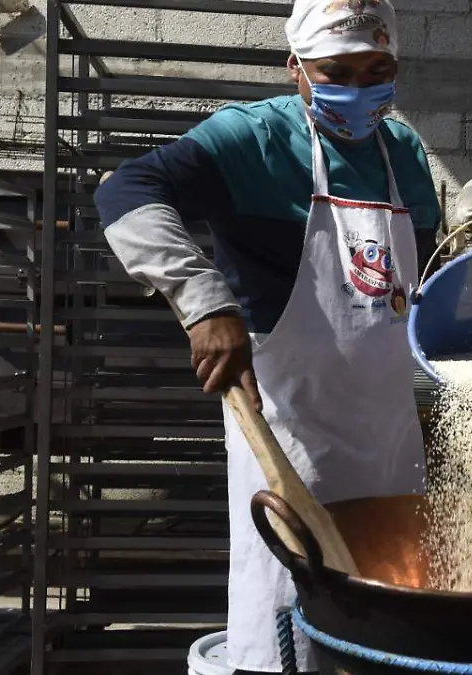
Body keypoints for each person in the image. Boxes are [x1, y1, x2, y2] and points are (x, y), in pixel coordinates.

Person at [95, 1, 438, 671]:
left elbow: (409, 299)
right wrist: (202, 300)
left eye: (378, 71)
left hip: (393, 458)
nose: (359, 91)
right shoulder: (253, 141)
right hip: (291, 460)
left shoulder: (408, 157)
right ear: (295, 69)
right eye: (335, 72)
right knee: (292, 640)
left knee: (385, 642)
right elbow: (126, 192)